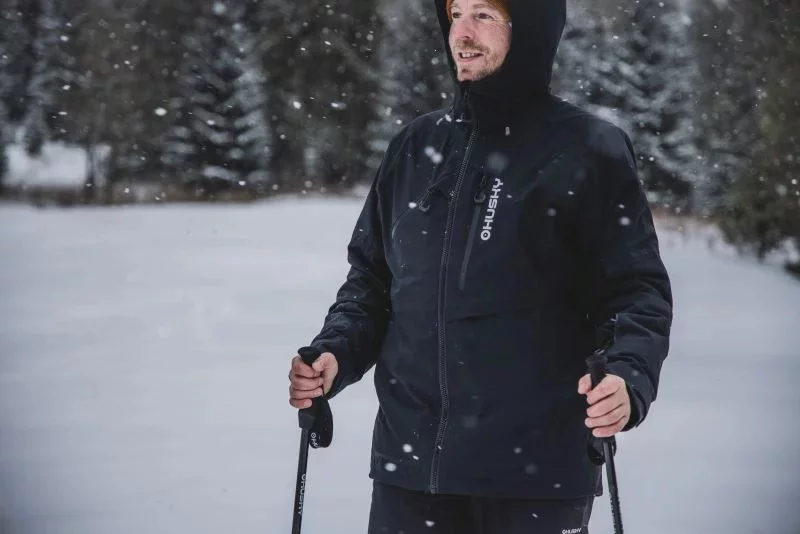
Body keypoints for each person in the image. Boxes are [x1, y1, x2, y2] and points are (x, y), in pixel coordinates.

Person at [288, 0, 673, 531]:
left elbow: (636, 291)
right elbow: (372, 283)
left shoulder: (588, 149)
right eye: (456, 14)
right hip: (412, 474)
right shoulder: (415, 146)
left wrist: (628, 376)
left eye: (484, 15)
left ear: (531, 29)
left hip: (536, 476)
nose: (462, 34)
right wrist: (337, 351)